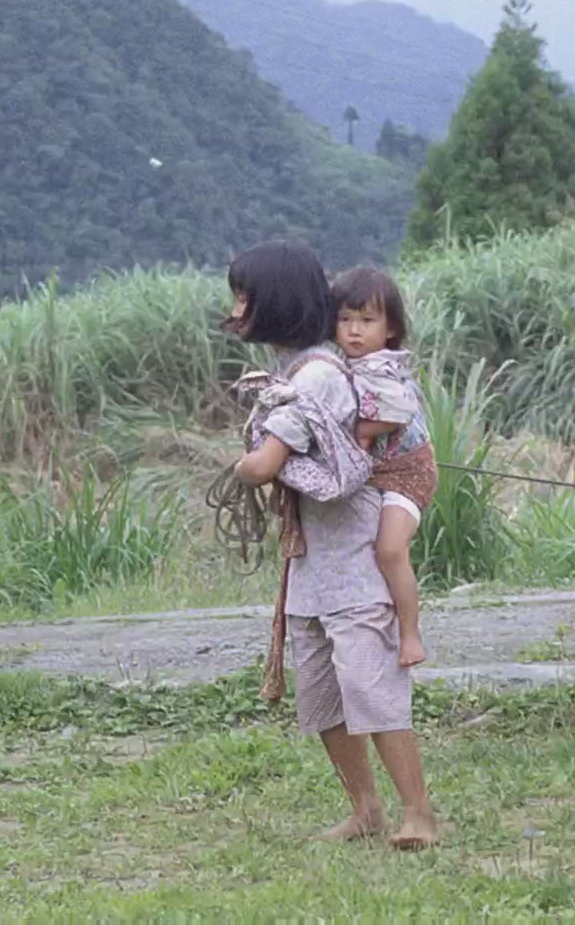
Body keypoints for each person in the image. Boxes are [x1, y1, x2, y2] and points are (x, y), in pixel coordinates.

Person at [223, 240, 439, 851]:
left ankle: (417, 813)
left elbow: (265, 464)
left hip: (355, 555)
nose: (237, 309)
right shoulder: (297, 367)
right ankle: (365, 809)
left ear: (274, 302)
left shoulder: (316, 376)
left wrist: (239, 466)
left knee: (370, 685)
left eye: (245, 297)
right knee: (323, 692)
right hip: (314, 559)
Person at [329, 266, 437, 669]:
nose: (355, 330)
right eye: (345, 320)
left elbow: (393, 415)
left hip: (408, 473)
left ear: (390, 328)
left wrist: (350, 431)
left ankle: (410, 634)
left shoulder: (384, 368)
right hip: (376, 473)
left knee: (390, 550)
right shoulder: (340, 367)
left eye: (367, 320)